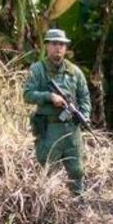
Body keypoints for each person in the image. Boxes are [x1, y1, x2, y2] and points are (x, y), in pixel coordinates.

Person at [23, 28, 91, 195]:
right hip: (50, 128)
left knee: (77, 171)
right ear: (47, 46)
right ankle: (48, 206)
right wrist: (49, 96)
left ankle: (78, 204)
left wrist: (85, 116)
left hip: (71, 129)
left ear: (66, 48)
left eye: (61, 44)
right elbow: (27, 95)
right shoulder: (38, 70)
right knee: (48, 171)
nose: (58, 48)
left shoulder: (74, 72)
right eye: (54, 44)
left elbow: (84, 97)